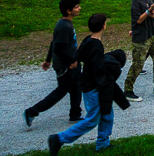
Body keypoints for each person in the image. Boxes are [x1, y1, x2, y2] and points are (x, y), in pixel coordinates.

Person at [48, 13, 128, 155]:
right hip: (93, 88)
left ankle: (103, 143)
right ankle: (59, 139)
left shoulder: (88, 40)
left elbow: (79, 55)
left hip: (91, 85)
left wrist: (74, 61)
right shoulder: (96, 45)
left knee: (108, 113)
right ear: (104, 25)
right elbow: (98, 69)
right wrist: (109, 78)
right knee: (92, 119)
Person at [24, 0, 83, 127]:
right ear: (68, 11)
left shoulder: (65, 23)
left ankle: (75, 114)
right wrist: (71, 60)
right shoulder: (64, 26)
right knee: (60, 92)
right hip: (66, 66)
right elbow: (58, 47)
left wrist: (47, 60)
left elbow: (54, 43)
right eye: (76, 7)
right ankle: (31, 111)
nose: (79, 8)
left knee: (77, 88)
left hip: (72, 64)